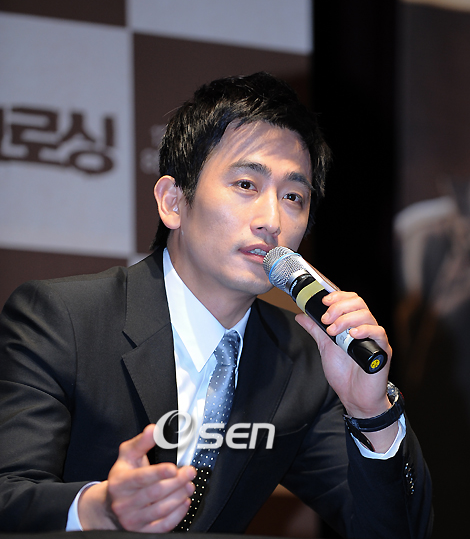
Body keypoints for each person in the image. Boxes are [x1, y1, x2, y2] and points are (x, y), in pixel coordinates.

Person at [0, 72, 432, 537]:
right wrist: (99, 509)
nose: (271, 220)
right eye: (246, 184)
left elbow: (396, 531)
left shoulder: (305, 360)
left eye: (293, 197)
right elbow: (8, 494)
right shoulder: (63, 319)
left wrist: (371, 412)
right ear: (173, 202)